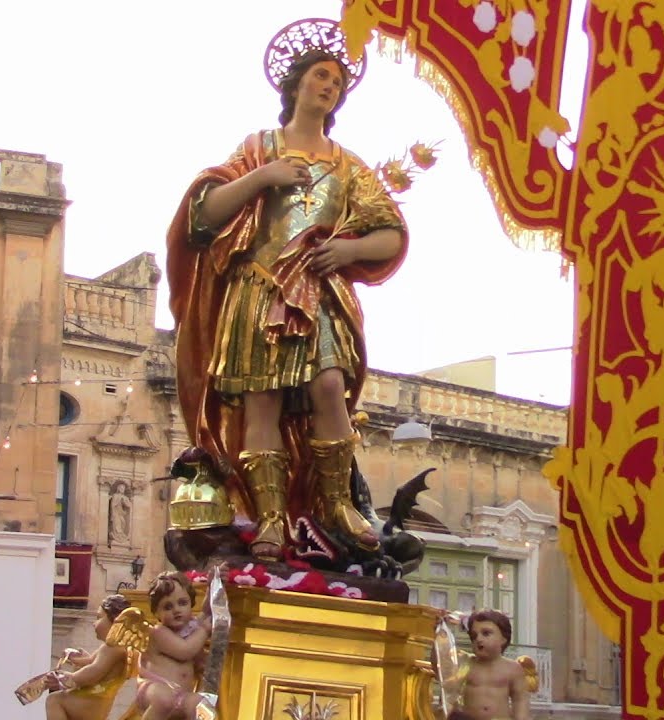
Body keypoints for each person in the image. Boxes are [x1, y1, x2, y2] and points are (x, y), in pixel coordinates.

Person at [167, 30, 408, 561]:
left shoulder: (349, 166)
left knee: (329, 386)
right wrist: (263, 177)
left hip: (319, 290)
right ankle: (271, 516)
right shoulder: (259, 149)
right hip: (259, 285)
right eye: (321, 75)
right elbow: (203, 215)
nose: (329, 86)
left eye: (338, 81)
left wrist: (348, 252)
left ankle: (337, 501)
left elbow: (391, 231)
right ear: (295, 83)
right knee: (263, 401)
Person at [42, 594, 139, 720]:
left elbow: (93, 672)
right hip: (97, 704)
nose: (94, 623)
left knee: (54, 700)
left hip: (92, 701)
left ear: (115, 621)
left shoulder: (113, 647)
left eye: (99, 618)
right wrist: (76, 658)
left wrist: (67, 678)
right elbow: (91, 662)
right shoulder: (112, 648)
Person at [135, 572, 210, 719]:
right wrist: (205, 630)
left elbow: (207, 612)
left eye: (182, 603)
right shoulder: (158, 632)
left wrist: (213, 585)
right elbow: (185, 651)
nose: (176, 610)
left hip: (182, 696)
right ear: (156, 612)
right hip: (155, 689)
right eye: (168, 607)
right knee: (164, 700)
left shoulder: (191, 630)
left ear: (191, 603)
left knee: (200, 705)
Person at [450, 610, 530, 720]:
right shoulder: (466, 663)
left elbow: (520, 699)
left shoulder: (512, 669)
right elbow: (440, 664)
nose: (479, 639)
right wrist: (440, 635)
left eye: (486, 633)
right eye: (474, 635)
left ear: (503, 638)